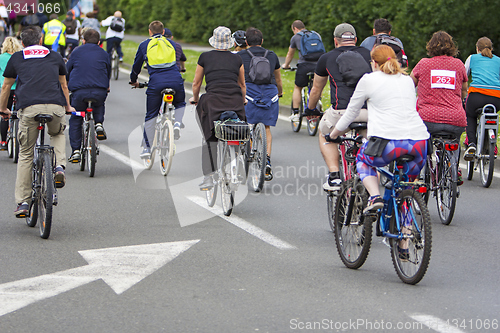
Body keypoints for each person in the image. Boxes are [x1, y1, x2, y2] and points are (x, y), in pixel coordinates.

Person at [328, 45, 429, 212]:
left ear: (373, 63)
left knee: (362, 160)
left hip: (388, 142)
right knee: (405, 190)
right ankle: (406, 233)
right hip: (419, 142)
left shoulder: (369, 79)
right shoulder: (407, 80)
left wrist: (333, 134)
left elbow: (350, 113)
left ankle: (375, 197)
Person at [0, 26, 74, 217]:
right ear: (41, 40)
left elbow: (6, 86)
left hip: (29, 107)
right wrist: (67, 107)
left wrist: (3, 109)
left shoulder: (17, 57)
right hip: (55, 106)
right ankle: (59, 166)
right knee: (57, 133)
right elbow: (64, 84)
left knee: (25, 153)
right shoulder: (54, 55)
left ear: (22, 42)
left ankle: (23, 202)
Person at [306, 23, 371, 191]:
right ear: (356, 40)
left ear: (335, 41)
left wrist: (311, 109)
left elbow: (316, 90)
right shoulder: (369, 54)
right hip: (368, 112)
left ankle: (334, 175)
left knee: (324, 132)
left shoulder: (326, 58)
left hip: (341, 112)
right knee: (371, 141)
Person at [189, 26, 246, 190]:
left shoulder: (205, 57)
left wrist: (195, 98)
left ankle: (208, 176)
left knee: (209, 135)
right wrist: (242, 100)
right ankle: (240, 157)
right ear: (229, 42)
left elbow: (196, 83)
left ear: (214, 41)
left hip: (213, 101)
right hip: (235, 100)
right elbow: (242, 84)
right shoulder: (237, 59)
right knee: (239, 127)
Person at [410, 31, 467, 183]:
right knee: (453, 141)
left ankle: (420, 174)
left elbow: (409, 85)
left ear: (431, 46)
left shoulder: (423, 64)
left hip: (427, 120)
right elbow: (463, 91)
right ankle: (454, 166)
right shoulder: (459, 64)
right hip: (456, 119)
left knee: (422, 143)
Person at [130, 20, 186, 155]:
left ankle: (147, 149)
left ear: (150, 32)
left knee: (151, 115)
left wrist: (134, 80)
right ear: (163, 32)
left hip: (156, 82)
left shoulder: (144, 45)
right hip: (175, 80)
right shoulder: (172, 44)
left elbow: (136, 66)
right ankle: (177, 123)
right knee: (180, 102)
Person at [238, 27, 283, 181]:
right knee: (267, 127)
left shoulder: (240, 55)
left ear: (246, 41)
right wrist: (280, 92)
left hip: (250, 92)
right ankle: (267, 159)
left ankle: (250, 150)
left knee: (248, 123)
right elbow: (278, 78)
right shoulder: (271, 55)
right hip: (270, 92)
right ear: (262, 41)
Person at [66, 29, 110, 163]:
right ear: (99, 42)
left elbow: (68, 70)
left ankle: (76, 151)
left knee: (76, 119)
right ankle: (98, 124)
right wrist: (106, 86)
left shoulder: (76, 52)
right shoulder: (104, 53)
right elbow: (107, 71)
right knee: (99, 103)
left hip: (79, 91)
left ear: (83, 40)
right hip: (99, 90)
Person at [463, 36, 500, 160]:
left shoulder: (472, 58)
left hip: (476, 96)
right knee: (493, 116)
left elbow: (464, 77)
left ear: (477, 48)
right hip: (496, 98)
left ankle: (472, 143)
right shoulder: (498, 60)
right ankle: (493, 146)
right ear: (491, 48)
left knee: (470, 115)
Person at [282, 20, 323, 120]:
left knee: (298, 87)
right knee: (317, 86)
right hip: (318, 64)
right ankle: (319, 101)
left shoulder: (296, 37)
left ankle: (296, 113)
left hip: (304, 65)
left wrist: (286, 65)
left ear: (295, 28)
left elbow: (290, 54)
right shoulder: (316, 34)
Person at [0, 36, 23, 150]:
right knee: (20, 114)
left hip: (5, 88)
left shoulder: (1, 57)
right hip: (18, 88)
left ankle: (3, 141)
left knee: (4, 114)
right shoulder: (19, 57)